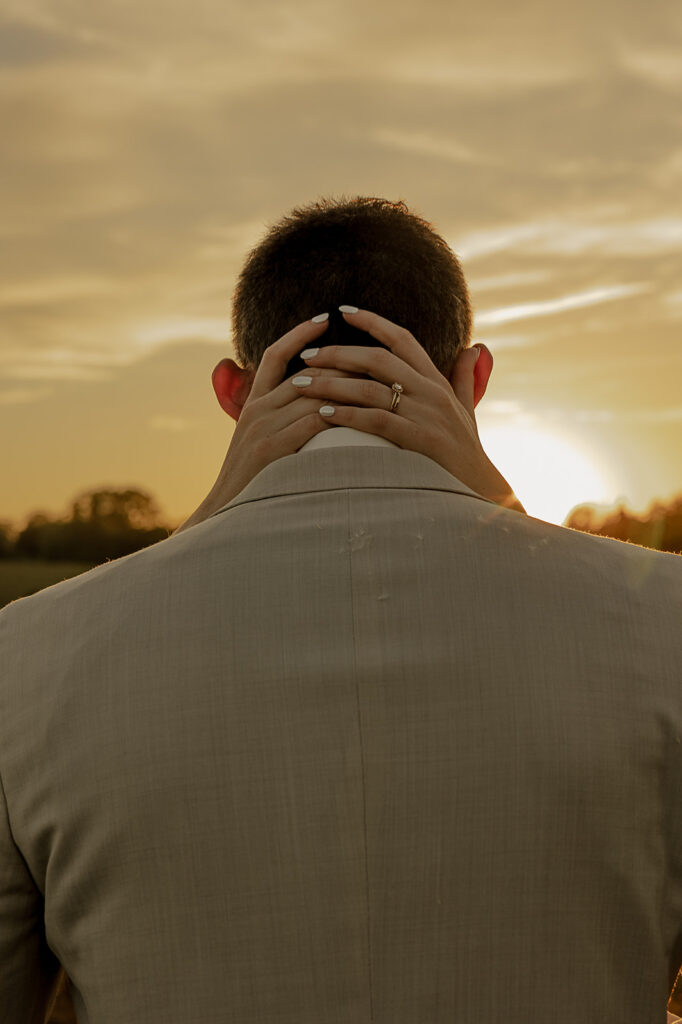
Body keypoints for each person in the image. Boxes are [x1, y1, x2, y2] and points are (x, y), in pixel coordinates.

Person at [0, 197, 680, 1023]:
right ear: (474, 379)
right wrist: (508, 512)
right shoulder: (665, 627)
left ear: (232, 392)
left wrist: (196, 530)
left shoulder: (26, 658)